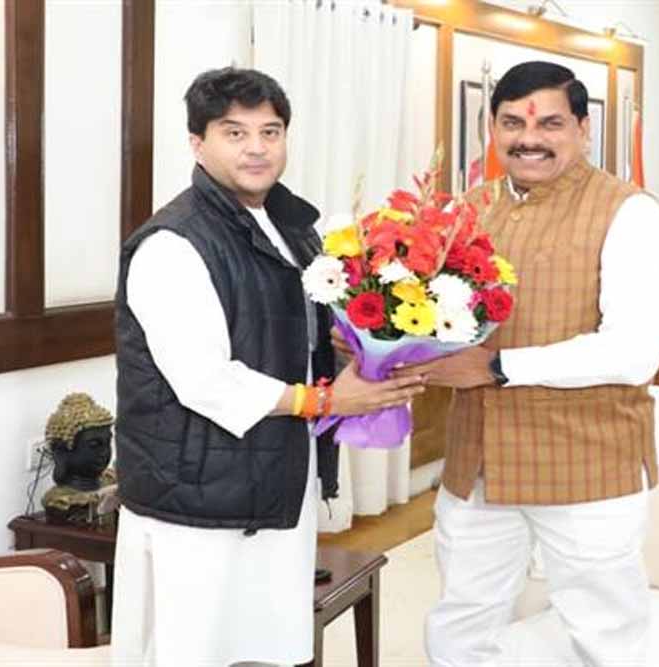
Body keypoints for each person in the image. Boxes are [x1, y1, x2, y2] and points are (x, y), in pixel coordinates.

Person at [111, 67, 425, 667]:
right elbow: (204, 380)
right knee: (194, 648)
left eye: (270, 131)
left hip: (274, 475)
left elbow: (285, 330)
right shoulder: (174, 243)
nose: (256, 148)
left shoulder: (290, 228)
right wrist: (329, 402)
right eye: (235, 133)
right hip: (198, 494)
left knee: (268, 642)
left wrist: (359, 350)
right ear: (197, 143)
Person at [394, 61, 659, 666]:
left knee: (605, 632)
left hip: (586, 460)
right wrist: (382, 340)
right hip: (477, 458)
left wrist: (497, 367)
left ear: (583, 129)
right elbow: (432, 316)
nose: (530, 139)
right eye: (513, 123)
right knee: (463, 616)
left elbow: (633, 353)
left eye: (550, 123)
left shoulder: (630, 214)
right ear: (492, 129)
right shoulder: (466, 211)